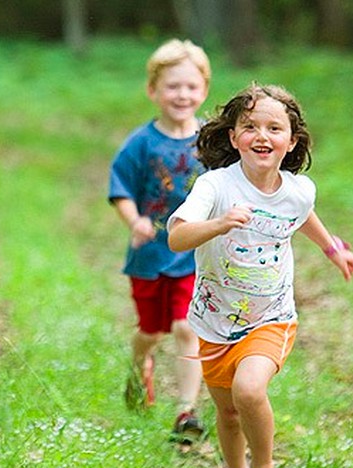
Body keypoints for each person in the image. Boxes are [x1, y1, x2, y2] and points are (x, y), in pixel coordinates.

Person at [167, 84, 353, 468]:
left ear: (291, 142)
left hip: (271, 318)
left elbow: (301, 213)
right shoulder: (214, 185)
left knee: (249, 390)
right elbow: (177, 237)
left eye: (275, 128)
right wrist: (216, 225)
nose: (262, 135)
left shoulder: (297, 190)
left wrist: (333, 249)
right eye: (250, 126)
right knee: (228, 413)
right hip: (213, 323)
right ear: (233, 136)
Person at [108, 39, 212, 442]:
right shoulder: (142, 143)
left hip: (195, 254)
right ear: (153, 90)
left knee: (187, 326)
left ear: (203, 90)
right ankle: (140, 363)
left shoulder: (212, 141)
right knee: (151, 331)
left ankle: (186, 411)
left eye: (191, 87)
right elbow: (121, 189)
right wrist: (134, 221)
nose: (182, 95)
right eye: (172, 86)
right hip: (150, 254)